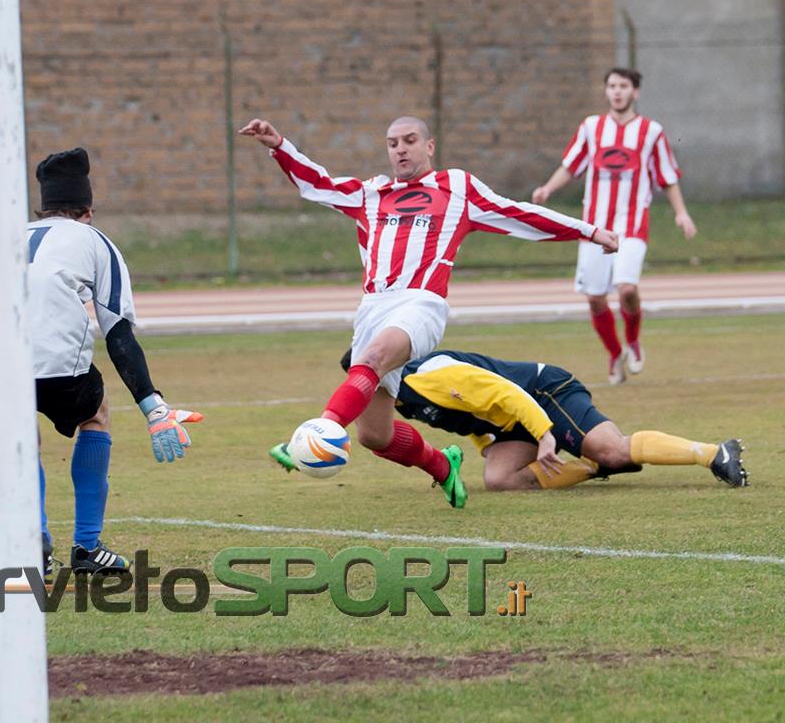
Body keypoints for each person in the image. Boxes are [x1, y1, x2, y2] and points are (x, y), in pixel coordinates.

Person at [240, 116, 619, 509]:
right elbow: (317, 184)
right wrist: (279, 145)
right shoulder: (371, 193)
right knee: (374, 435)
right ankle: (442, 466)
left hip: (421, 302)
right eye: (392, 143)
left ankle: (318, 433)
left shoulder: (456, 187)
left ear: (429, 146)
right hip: (373, 308)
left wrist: (588, 231)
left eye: (409, 140)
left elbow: (517, 213)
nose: (400, 149)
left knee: (370, 358)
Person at [0, 148, 202, 576]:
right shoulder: (95, 241)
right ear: (87, 211)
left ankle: (32, 544)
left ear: (43, 206)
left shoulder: (3, 239)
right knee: (96, 415)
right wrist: (154, 408)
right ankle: (87, 548)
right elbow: (118, 334)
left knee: (21, 438)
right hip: (57, 369)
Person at [274, 348, 748, 491]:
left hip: (544, 391)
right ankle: (591, 467)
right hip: (511, 423)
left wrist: (544, 434)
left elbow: (505, 393)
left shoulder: (433, 376)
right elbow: (477, 423)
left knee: (614, 447)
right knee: (500, 479)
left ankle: (713, 453)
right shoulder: (399, 400)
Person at [532, 68, 697, 385]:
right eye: (611, 86)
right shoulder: (592, 128)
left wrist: (681, 213)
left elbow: (667, 177)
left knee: (627, 289)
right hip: (594, 226)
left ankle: (633, 341)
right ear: (606, 91)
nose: (617, 92)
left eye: (623, 86)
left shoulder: (651, 132)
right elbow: (571, 165)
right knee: (595, 299)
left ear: (635, 92)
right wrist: (548, 189)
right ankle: (614, 353)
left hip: (632, 224)